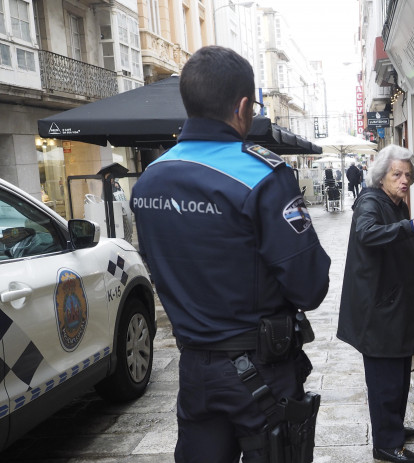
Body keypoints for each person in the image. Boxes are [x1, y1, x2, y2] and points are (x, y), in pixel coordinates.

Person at [131, 46, 331, 463]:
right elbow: (310, 286)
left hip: (196, 370)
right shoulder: (261, 174)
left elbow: (157, 266)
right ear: (243, 107)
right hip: (261, 371)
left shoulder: (149, 181)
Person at [337, 145, 414, 463]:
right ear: (382, 176)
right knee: (385, 379)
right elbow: (368, 233)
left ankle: (391, 426)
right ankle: (385, 443)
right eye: (397, 174)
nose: (404, 180)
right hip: (379, 310)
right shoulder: (370, 201)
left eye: (408, 175)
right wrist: (413, 226)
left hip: (395, 306)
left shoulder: (395, 203)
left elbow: (393, 240)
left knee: (399, 373)